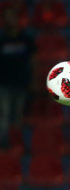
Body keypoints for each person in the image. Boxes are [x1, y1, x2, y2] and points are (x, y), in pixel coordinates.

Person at [0, 8, 34, 147]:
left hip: (21, 83)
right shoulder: (2, 40)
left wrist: (33, 81)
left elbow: (33, 61)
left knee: (19, 116)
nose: (10, 21)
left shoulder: (25, 39)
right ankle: (4, 143)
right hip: (4, 84)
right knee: (5, 114)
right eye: (7, 17)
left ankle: (18, 144)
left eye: (12, 17)